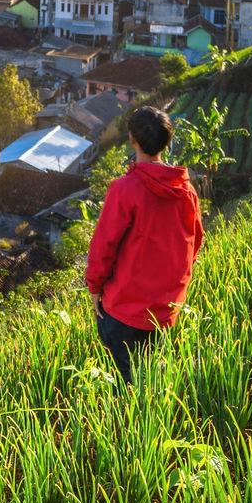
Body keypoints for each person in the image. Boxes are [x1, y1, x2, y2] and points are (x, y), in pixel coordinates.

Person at [85, 106, 204, 383]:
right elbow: (194, 244)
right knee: (149, 380)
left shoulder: (124, 189)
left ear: (132, 140)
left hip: (122, 307)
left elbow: (103, 247)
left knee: (122, 384)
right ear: (167, 141)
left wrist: (94, 288)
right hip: (164, 309)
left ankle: (124, 425)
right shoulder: (186, 191)